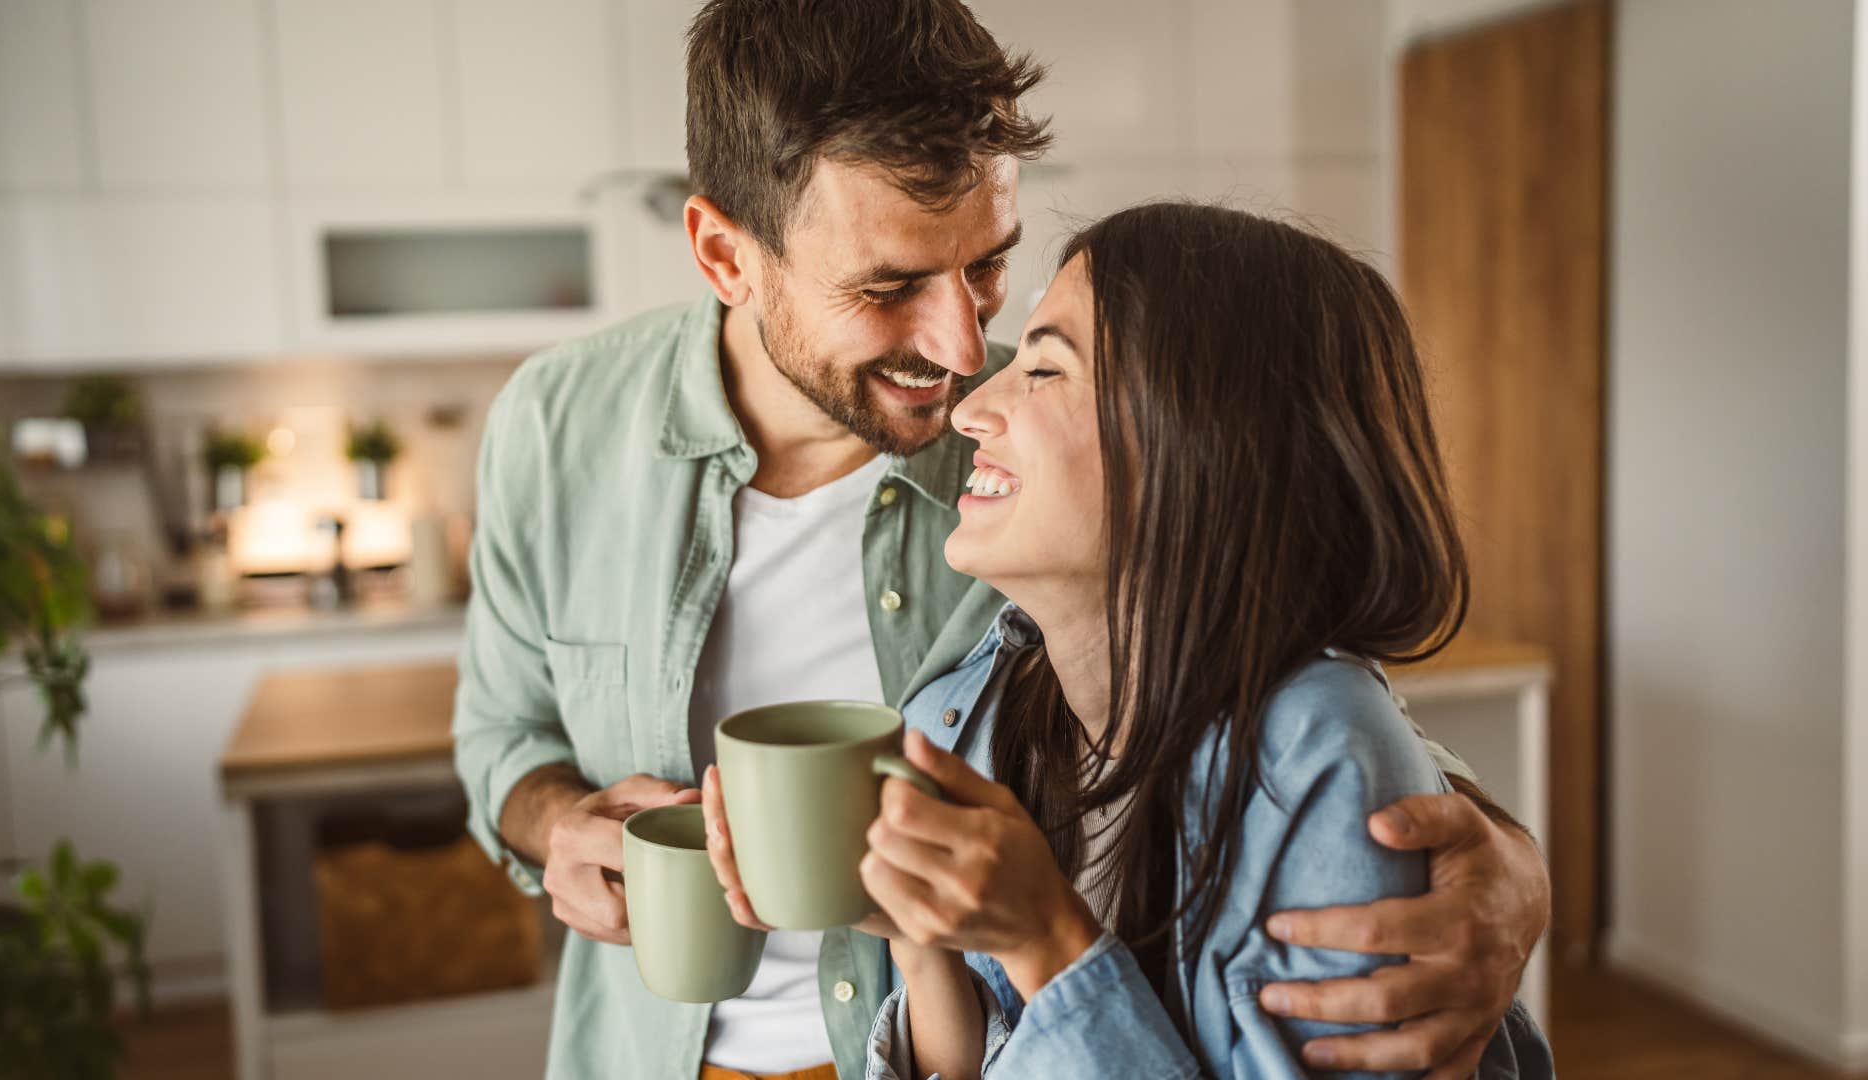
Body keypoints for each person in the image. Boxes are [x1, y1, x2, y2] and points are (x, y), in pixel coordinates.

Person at [452, 2, 1550, 1077]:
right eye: (889, 288)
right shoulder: (557, 428)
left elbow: (1256, 672)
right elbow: (502, 733)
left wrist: (1497, 861)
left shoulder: (1057, 458)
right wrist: (557, 826)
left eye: (985, 264)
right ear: (727, 256)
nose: (964, 346)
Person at [844, 202, 1554, 1077]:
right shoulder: (981, 712)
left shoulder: (1319, 759)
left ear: (1199, 440)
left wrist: (1046, 942)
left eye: (1044, 369)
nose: (971, 408)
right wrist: (925, 948)